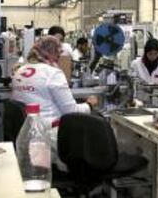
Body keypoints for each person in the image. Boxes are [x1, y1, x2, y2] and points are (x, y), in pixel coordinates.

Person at [12, 36, 98, 168]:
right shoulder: (52, 74)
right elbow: (71, 112)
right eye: (58, 53)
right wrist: (89, 105)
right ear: (52, 53)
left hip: (26, 136)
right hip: (50, 138)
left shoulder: (20, 71)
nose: (59, 57)